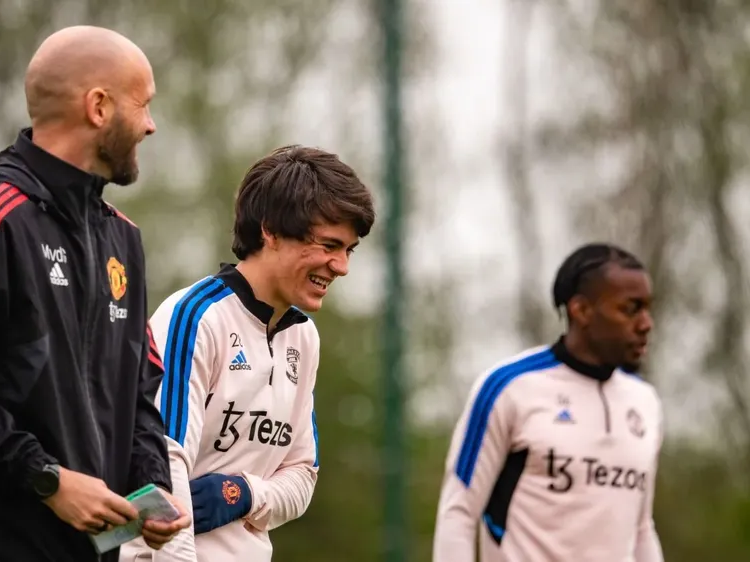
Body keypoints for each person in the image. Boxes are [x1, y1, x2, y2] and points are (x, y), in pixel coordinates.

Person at [0, 25, 190, 562]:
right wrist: (48, 479)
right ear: (98, 107)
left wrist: (151, 484)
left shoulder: (123, 239)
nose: (151, 124)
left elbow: (140, 391)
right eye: (143, 104)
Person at [118, 145, 377, 562]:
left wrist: (244, 493)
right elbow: (162, 467)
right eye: (329, 245)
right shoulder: (195, 317)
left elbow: (302, 477)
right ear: (270, 231)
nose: (341, 266)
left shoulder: (303, 337)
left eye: (349, 250)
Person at [431, 243, 664, 562]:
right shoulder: (509, 387)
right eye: (630, 309)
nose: (646, 323)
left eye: (648, 308)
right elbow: (458, 514)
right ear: (581, 310)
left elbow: (641, 528)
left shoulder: (645, 401)